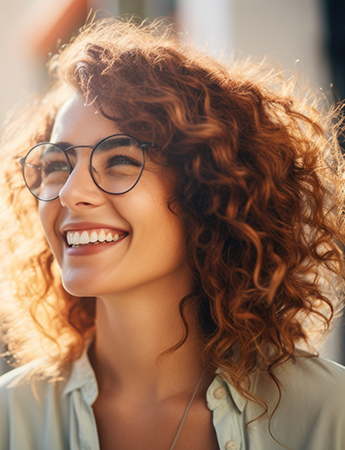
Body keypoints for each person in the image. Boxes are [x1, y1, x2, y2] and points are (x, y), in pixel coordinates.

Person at [0, 16, 345, 450]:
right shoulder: (9, 418)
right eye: (56, 165)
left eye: (121, 159)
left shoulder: (328, 413)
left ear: (209, 189)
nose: (70, 194)